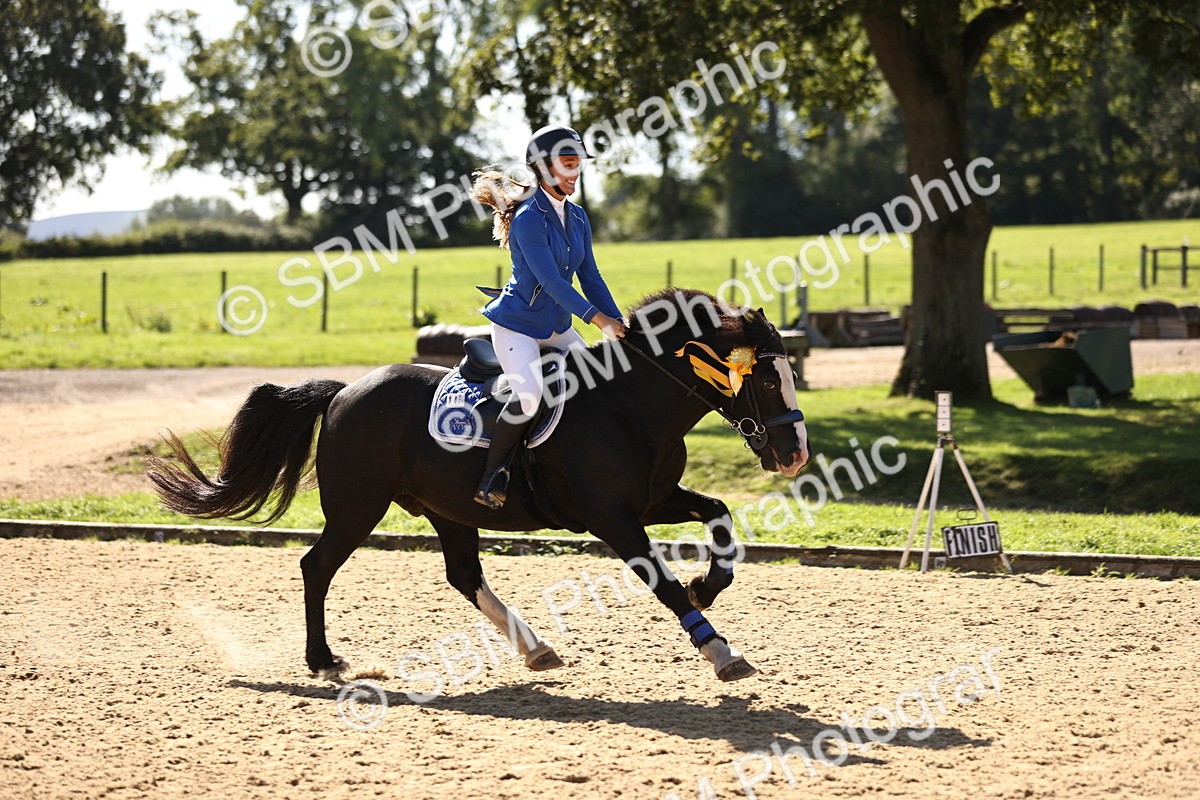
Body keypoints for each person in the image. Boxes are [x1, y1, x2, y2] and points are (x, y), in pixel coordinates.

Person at [468, 124, 627, 509]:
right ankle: (492, 476)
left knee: (596, 383)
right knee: (531, 395)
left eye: (577, 165)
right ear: (543, 168)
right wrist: (598, 322)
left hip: (556, 327)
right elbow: (553, 282)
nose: (575, 174)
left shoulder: (577, 217)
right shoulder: (527, 218)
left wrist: (622, 323)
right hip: (517, 326)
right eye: (568, 164)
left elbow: (590, 275)